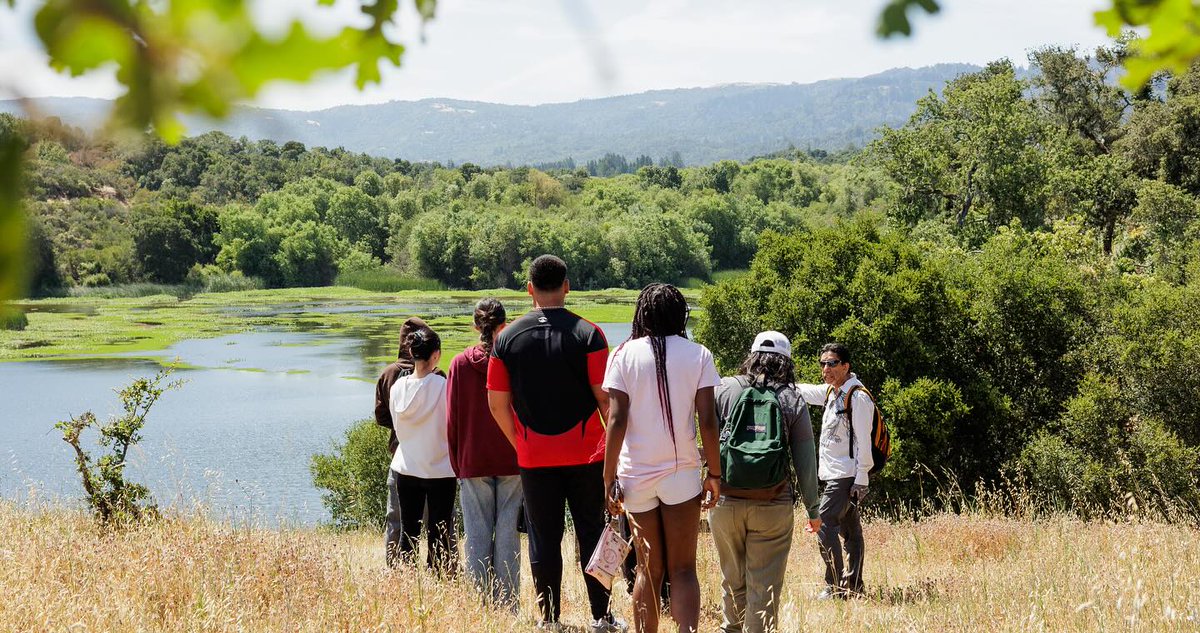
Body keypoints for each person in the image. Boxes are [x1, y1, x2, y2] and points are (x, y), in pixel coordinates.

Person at [486, 254, 625, 633]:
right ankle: (602, 617)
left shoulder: (506, 339)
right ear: (567, 286)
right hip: (587, 454)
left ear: (529, 289)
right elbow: (604, 400)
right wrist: (614, 455)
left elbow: (496, 403)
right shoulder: (590, 333)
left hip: (534, 457)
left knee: (543, 538)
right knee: (593, 532)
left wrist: (521, 444)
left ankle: (549, 620)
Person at [602, 283, 722, 633]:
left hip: (636, 475)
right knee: (683, 569)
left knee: (647, 570)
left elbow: (616, 419)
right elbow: (708, 421)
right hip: (681, 473)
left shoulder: (623, 354)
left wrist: (608, 478)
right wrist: (714, 473)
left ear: (642, 314)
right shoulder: (698, 354)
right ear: (680, 314)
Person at [710, 331, 821, 633]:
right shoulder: (791, 397)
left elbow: (706, 439)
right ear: (786, 362)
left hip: (725, 502)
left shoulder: (723, 389)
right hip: (772, 503)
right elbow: (805, 459)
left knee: (732, 580)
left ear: (751, 356)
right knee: (764, 588)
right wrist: (813, 509)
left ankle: (730, 628)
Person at [447, 298, 522, 610]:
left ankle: (480, 606)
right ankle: (508, 606)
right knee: (508, 536)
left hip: (472, 461)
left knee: (477, 537)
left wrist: (457, 463)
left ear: (475, 326)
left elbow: (451, 420)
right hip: (512, 459)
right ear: (505, 325)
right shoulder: (515, 361)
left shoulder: (459, 364)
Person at [793, 343, 873, 599]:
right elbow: (804, 391)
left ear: (846, 366)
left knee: (824, 522)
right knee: (850, 531)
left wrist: (862, 479)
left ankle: (836, 586)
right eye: (822, 363)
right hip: (834, 475)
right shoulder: (832, 392)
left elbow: (864, 440)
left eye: (832, 363)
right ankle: (854, 586)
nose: (825, 368)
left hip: (847, 475)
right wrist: (779, 381)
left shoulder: (857, 397)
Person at [388, 327, 457, 573]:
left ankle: (407, 576)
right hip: (441, 468)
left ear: (411, 351)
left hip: (407, 466)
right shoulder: (443, 386)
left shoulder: (397, 388)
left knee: (409, 531)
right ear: (436, 355)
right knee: (440, 532)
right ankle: (438, 579)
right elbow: (453, 426)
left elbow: (396, 427)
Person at [375, 316, 437, 567]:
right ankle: (442, 568)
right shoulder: (437, 375)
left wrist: (402, 426)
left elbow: (380, 416)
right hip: (434, 461)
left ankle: (396, 569)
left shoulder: (389, 373)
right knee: (438, 521)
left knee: (397, 519)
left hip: (400, 455)